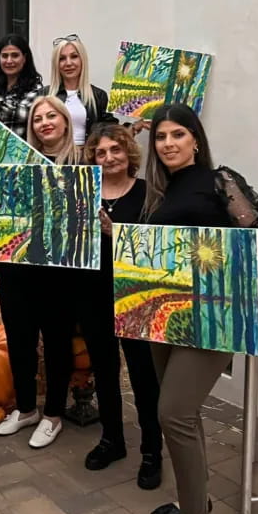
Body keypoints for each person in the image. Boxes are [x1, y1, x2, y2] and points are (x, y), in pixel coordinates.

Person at [142, 103, 238, 514]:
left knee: (173, 412)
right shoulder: (164, 190)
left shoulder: (221, 181)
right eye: (160, 137)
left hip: (211, 316)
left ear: (196, 139)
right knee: (185, 414)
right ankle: (194, 499)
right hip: (166, 314)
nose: (168, 144)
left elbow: (253, 240)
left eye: (177, 135)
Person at [0, 96, 77, 448]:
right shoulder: (16, 163)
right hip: (17, 267)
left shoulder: (82, 163)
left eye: (51, 115)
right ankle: (26, 408)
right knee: (19, 340)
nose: (44, 122)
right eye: (37, 118)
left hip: (59, 272)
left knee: (57, 341)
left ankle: (53, 414)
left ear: (65, 121)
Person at [81, 124, 163, 488]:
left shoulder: (148, 193)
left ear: (128, 152)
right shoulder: (86, 193)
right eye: (101, 152)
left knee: (144, 376)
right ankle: (112, 439)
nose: (109, 157)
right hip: (93, 294)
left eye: (115, 150)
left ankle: (151, 451)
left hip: (135, 297)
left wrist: (115, 234)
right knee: (104, 369)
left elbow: (156, 248)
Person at [43, 34, 116, 147]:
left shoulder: (98, 95)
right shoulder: (44, 95)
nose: (68, 63)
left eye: (74, 56)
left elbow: (110, 132)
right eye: (62, 58)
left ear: (82, 59)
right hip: (55, 160)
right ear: (56, 64)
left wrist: (134, 127)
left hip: (87, 161)